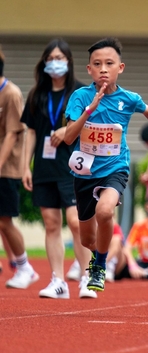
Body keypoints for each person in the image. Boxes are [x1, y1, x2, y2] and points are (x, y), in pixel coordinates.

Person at [63, 37, 148, 292]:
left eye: (109, 63)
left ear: (120, 68)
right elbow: (69, 137)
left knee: (105, 212)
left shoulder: (129, 98)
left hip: (115, 169)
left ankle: (100, 266)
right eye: (97, 64)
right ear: (89, 69)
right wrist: (90, 110)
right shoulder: (80, 97)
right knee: (86, 237)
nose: (103, 68)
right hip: (85, 171)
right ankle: (97, 255)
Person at [21, 38, 95, 299]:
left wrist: (67, 129)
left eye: (60, 58)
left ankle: (86, 277)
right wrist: (25, 166)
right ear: (44, 63)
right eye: (50, 59)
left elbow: (92, 128)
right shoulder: (36, 94)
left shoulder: (81, 93)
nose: (55, 63)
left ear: (69, 62)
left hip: (73, 165)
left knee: (76, 222)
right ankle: (58, 281)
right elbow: (30, 133)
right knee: (51, 224)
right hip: (43, 166)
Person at [0, 46, 40, 290]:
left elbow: (13, 134)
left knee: (4, 221)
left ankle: (25, 267)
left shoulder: (11, 93)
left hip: (6, 168)